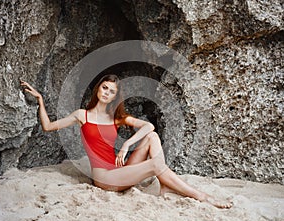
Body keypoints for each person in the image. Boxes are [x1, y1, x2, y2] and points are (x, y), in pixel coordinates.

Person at [20, 75, 232, 209]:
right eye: (105, 88)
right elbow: (48, 126)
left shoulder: (116, 117)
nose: (107, 93)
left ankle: (166, 187)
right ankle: (201, 196)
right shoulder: (81, 115)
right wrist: (40, 100)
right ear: (98, 89)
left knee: (152, 137)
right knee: (156, 164)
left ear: (114, 97)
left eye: (112, 92)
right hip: (105, 178)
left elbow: (149, 127)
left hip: (120, 170)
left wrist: (127, 144)